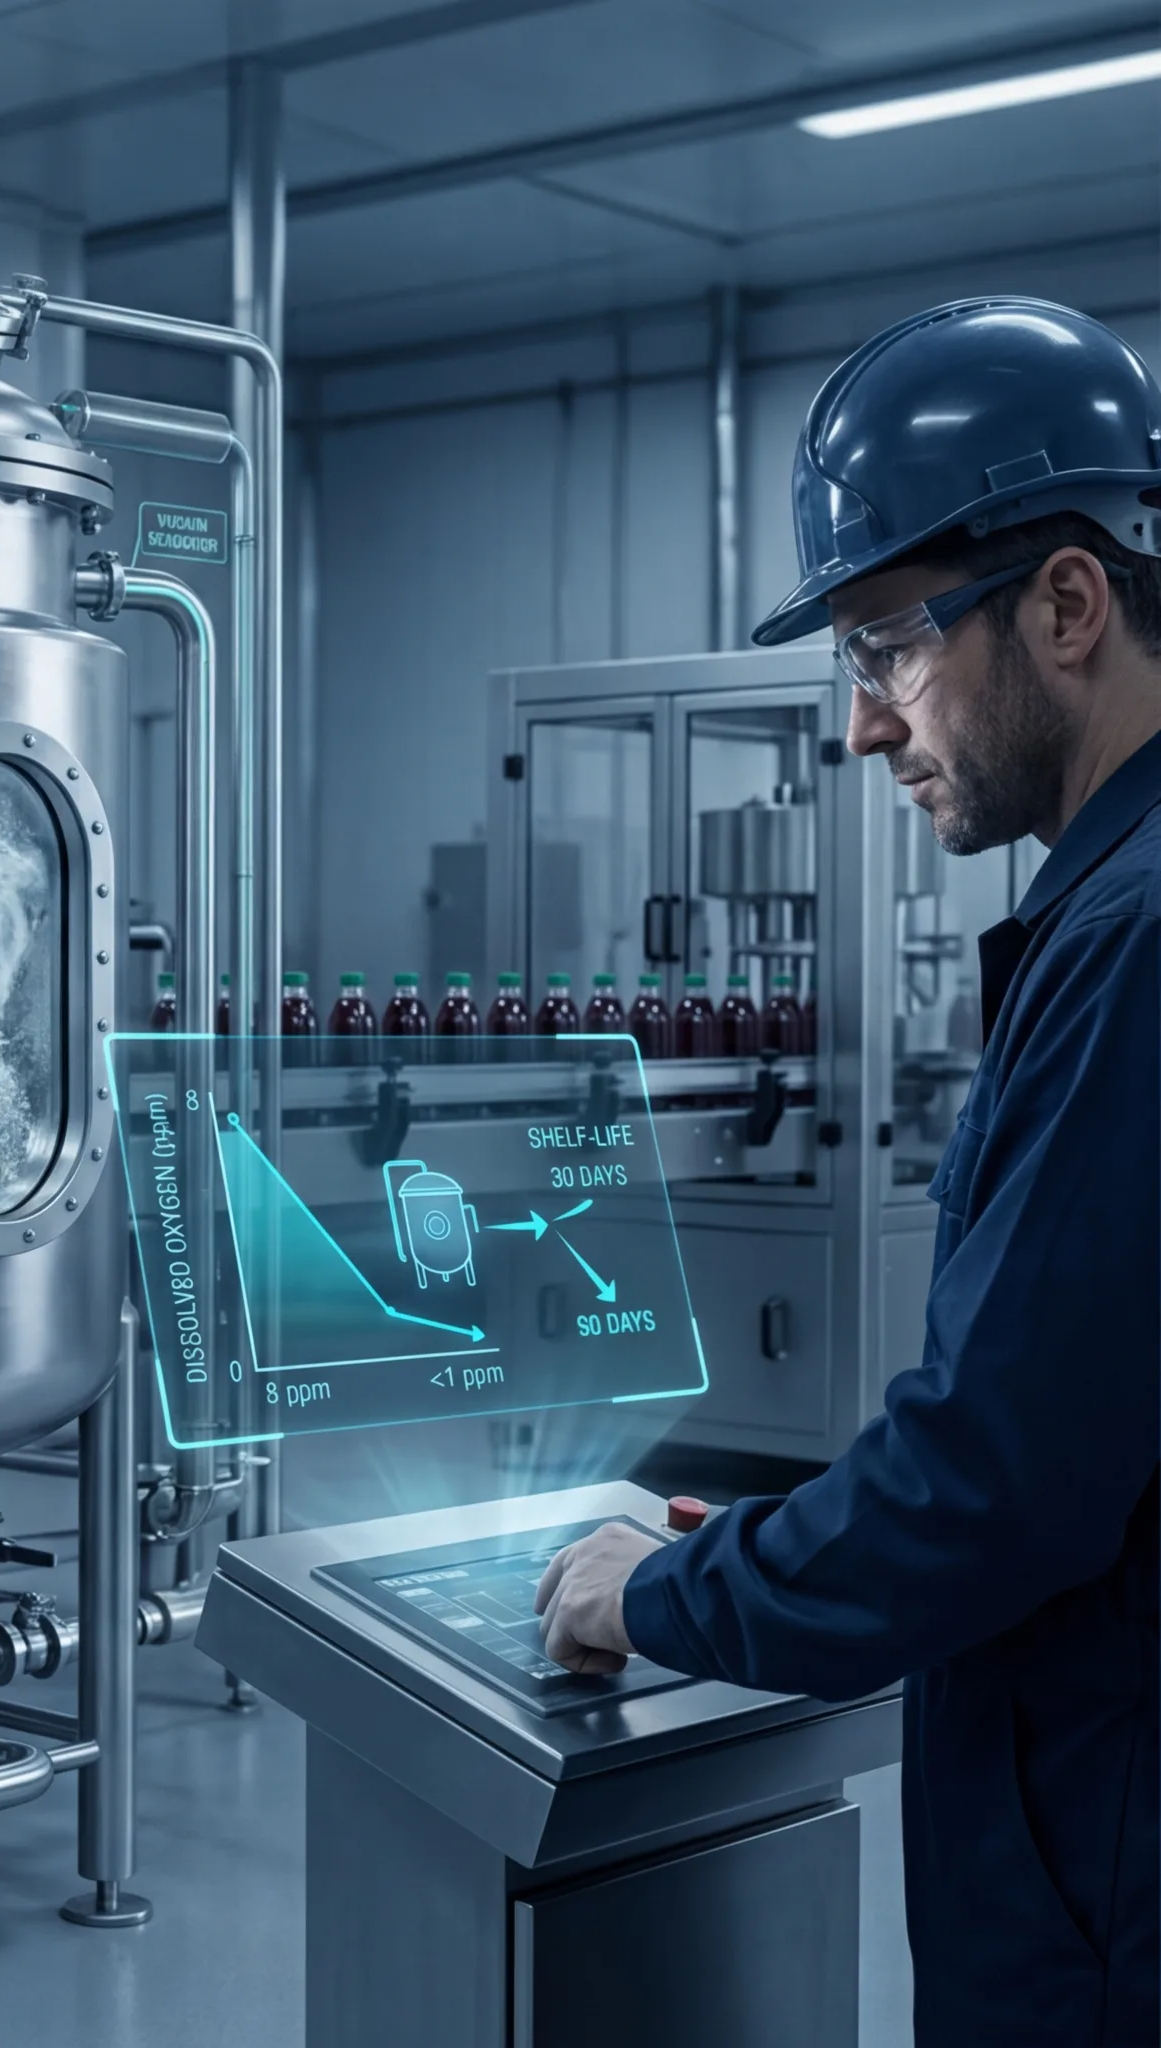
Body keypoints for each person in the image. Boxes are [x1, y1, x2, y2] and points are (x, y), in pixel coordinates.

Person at [534, 298, 1159, 2046]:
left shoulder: (1136, 940)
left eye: (890, 646)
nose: (870, 725)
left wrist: (656, 1593)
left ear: (1064, 604)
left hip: (1110, 1888)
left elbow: (997, 1482)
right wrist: (778, 1538)